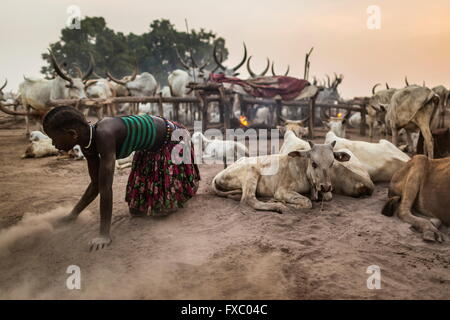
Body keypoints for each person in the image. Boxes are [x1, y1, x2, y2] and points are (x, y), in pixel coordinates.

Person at [42, 106, 200, 250]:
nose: (53, 144)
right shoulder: (87, 145)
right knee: (138, 210)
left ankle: (188, 186)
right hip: (149, 146)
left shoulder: (104, 134)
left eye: (54, 138)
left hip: (172, 138)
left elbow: (106, 187)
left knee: (161, 209)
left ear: (72, 134)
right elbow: (96, 184)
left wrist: (103, 235)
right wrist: (73, 214)